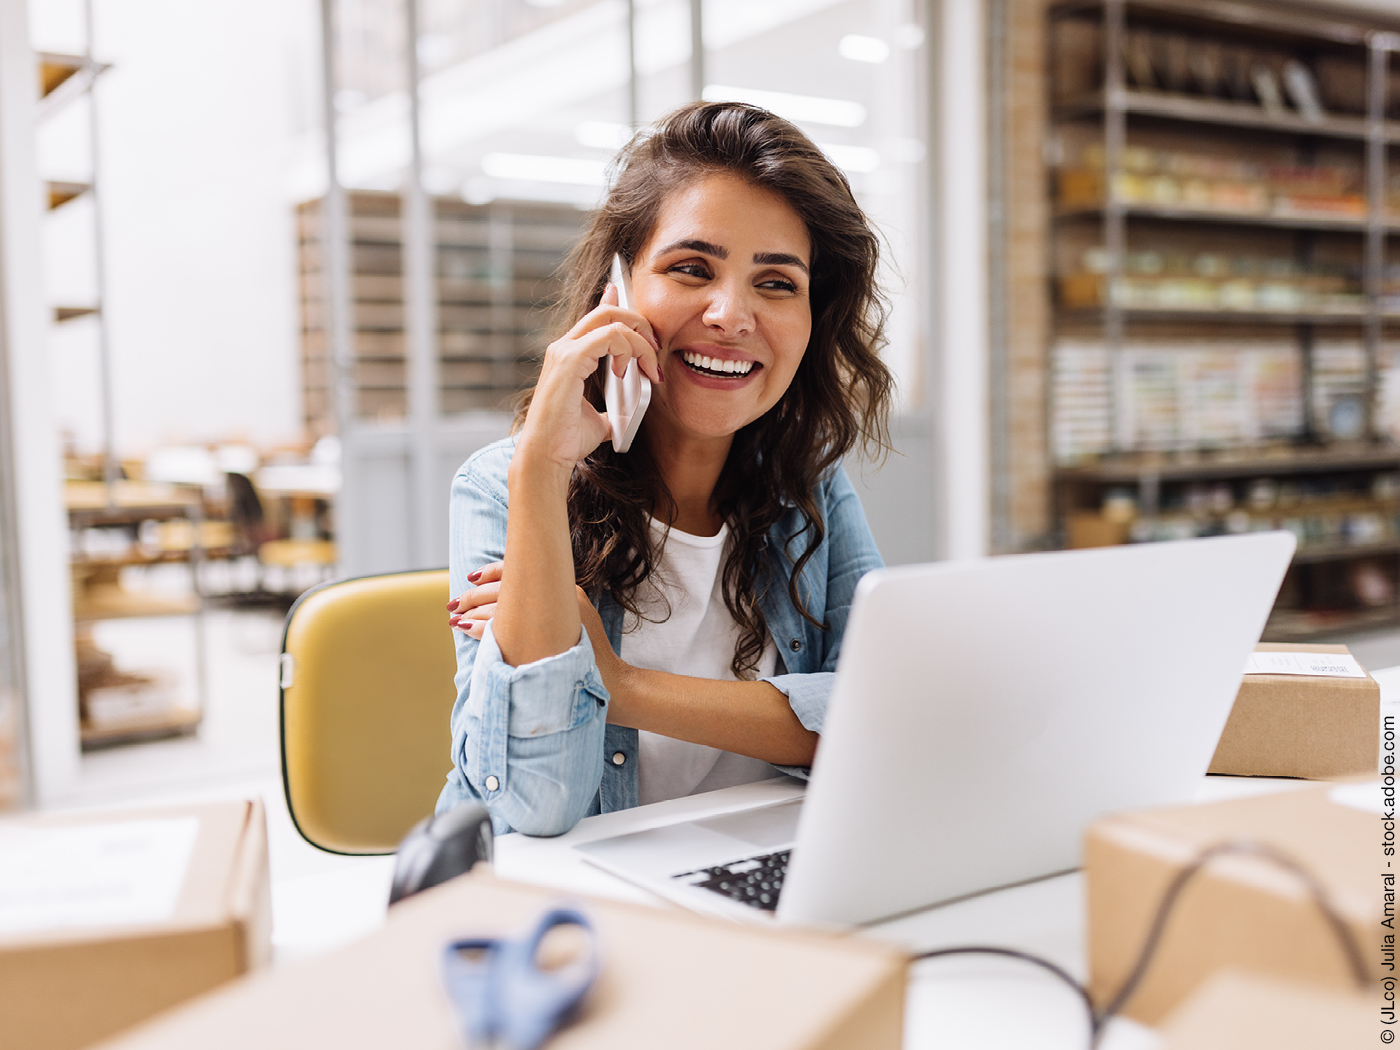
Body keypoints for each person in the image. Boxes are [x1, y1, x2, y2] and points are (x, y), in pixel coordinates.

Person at [436, 101, 894, 836]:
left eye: (776, 283)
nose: (731, 314)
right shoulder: (504, 484)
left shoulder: (807, 488)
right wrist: (541, 469)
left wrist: (619, 685)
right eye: (691, 268)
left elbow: (876, 722)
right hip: (568, 904)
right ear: (615, 293)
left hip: (747, 873)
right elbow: (532, 804)